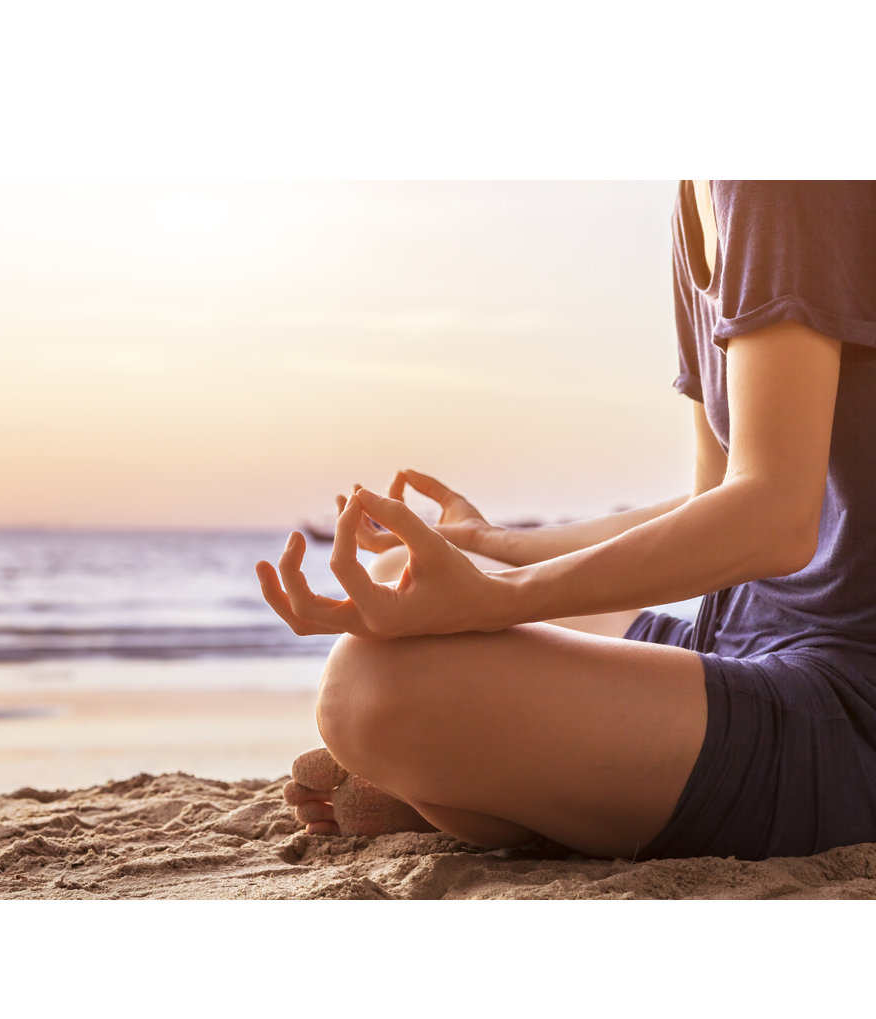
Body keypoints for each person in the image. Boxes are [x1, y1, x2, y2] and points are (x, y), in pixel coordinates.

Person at [255, 181, 876, 861]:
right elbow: (715, 499)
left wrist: (500, 599)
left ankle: (497, 788)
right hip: (733, 641)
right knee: (400, 575)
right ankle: (516, 785)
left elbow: (772, 521)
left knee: (366, 693)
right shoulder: (694, 195)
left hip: (847, 702)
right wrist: (495, 548)